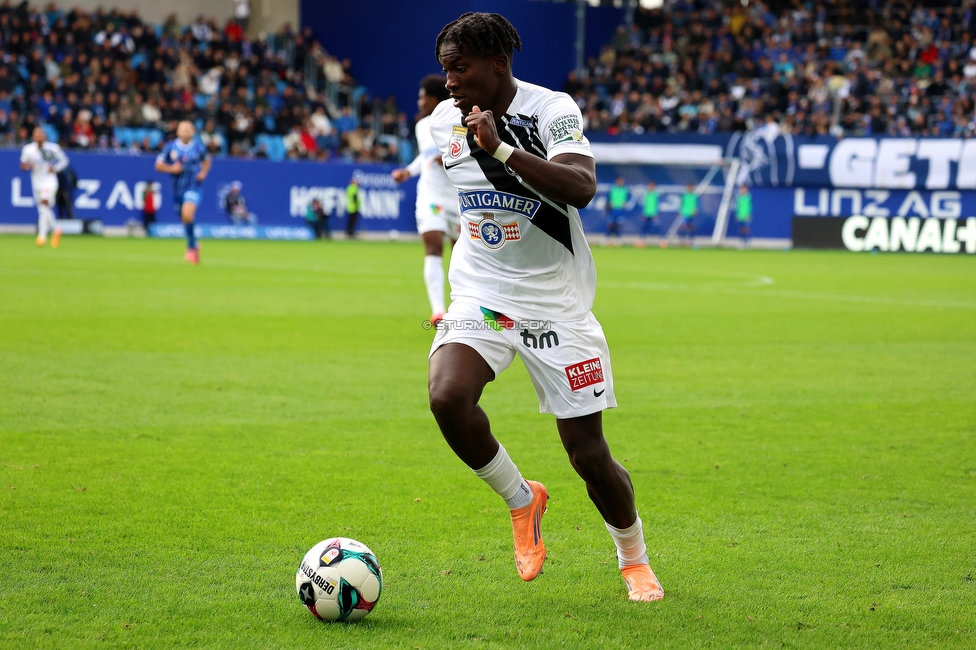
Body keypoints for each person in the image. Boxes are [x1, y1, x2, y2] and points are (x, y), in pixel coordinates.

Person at [427, 12, 664, 603]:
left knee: (588, 455)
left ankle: (633, 558)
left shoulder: (551, 110)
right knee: (448, 397)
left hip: (556, 304)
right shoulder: (439, 123)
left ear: (498, 63)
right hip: (483, 294)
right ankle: (521, 499)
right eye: (445, 70)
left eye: (460, 68)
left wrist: (501, 149)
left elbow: (581, 188)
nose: (449, 81)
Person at [391, 74, 460, 324]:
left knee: (462, 255)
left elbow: (468, 151)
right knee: (432, 246)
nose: (419, 102)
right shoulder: (421, 126)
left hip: (457, 199)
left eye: (422, 97)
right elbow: (426, 156)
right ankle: (438, 312)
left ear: (434, 98)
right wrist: (408, 172)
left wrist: (451, 158)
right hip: (430, 196)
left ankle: (462, 307)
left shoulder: (457, 120)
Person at [155, 121, 211, 264]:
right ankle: (194, 242)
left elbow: (207, 161)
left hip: (193, 187)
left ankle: (191, 247)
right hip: (177, 190)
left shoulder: (199, 147)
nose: (186, 132)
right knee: (184, 219)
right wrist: (171, 169)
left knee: (187, 214)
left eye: (188, 129)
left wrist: (203, 172)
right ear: (178, 132)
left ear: (193, 132)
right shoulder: (170, 147)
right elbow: (158, 165)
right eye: (183, 129)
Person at [20, 127, 68, 247]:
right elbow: (22, 166)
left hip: (50, 181)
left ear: (45, 136)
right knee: (43, 209)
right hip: (36, 182)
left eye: (41, 135)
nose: (39, 137)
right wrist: (28, 166)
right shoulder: (28, 149)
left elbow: (64, 161)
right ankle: (55, 229)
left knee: (43, 205)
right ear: (33, 136)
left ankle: (42, 237)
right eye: (37, 135)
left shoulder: (53, 148)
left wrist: (55, 169)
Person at [606, 176, 628, 243]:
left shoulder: (625, 189)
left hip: (620, 210)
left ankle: (618, 238)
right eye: (619, 181)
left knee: (619, 224)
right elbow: (608, 197)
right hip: (613, 209)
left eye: (621, 181)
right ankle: (608, 237)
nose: (620, 182)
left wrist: (625, 203)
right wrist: (610, 203)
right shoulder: (613, 189)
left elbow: (628, 198)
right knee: (611, 223)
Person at [637, 180, 659, 249]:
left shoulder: (656, 195)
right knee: (644, 227)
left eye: (652, 186)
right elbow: (644, 205)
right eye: (650, 186)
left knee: (656, 226)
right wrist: (644, 214)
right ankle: (642, 240)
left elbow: (657, 205)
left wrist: (655, 214)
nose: (650, 187)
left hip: (653, 214)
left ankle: (662, 240)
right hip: (646, 214)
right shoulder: (646, 194)